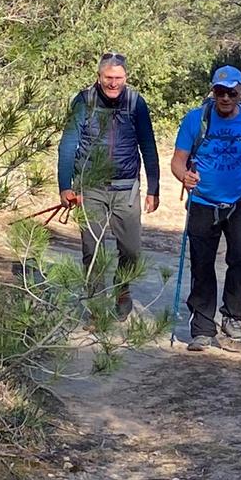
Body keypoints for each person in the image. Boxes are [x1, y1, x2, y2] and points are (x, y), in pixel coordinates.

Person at [170, 66, 241, 351]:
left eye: (231, 93)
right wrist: (184, 177)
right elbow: (178, 161)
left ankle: (232, 316)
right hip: (203, 202)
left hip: (240, 202)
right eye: (220, 92)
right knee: (202, 265)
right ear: (213, 91)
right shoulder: (196, 119)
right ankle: (203, 328)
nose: (225, 98)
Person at [57, 52, 160, 319]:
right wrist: (64, 185)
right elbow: (68, 143)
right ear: (99, 77)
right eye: (108, 78)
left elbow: (148, 145)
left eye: (119, 78)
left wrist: (153, 188)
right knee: (92, 250)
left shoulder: (136, 103)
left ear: (126, 78)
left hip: (126, 188)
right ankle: (95, 307)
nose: (114, 83)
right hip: (89, 187)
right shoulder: (84, 101)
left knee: (131, 249)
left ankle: (122, 289)